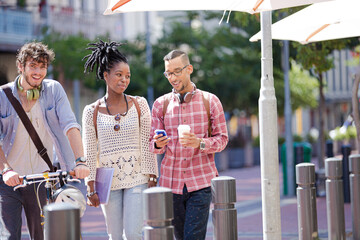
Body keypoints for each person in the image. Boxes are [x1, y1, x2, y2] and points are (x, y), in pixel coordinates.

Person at [0, 41, 90, 240]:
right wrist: (6, 169)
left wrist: (80, 160)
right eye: (33, 66)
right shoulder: (2, 95)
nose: (38, 72)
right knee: (8, 236)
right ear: (20, 66)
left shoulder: (53, 90)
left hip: (42, 180)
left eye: (42, 67)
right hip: (9, 180)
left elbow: (70, 125)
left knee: (41, 236)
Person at [82, 40, 158, 240]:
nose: (124, 80)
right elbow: (89, 151)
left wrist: (152, 176)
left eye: (127, 76)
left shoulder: (140, 104)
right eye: (119, 75)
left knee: (133, 233)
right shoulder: (91, 111)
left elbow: (146, 142)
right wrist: (90, 186)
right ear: (105, 76)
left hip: (137, 177)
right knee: (114, 235)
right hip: (107, 181)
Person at [150, 50, 228, 240]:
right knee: (179, 237)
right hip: (171, 183)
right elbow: (153, 144)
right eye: (169, 73)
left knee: (193, 237)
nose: (173, 78)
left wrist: (200, 143)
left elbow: (223, 139)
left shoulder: (210, 101)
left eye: (177, 71)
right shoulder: (161, 104)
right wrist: (158, 144)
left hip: (200, 182)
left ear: (189, 69)